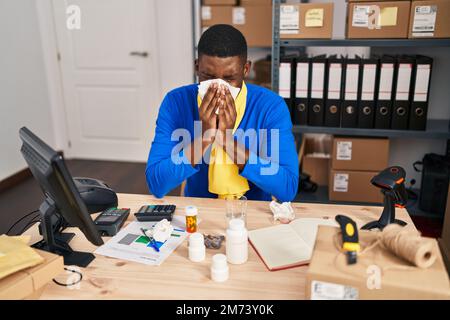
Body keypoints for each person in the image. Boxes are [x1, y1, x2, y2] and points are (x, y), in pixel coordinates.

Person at [146, 24, 298, 202]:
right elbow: (157, 184)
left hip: (253, 209)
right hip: (199, 208)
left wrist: (227, 140)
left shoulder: (270, 107)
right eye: (208, 76)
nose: (218, 87)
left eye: (229, 78)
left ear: (246, 69)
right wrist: (205, 137)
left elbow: (287, 188)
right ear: (197, 67)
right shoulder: (176, 103)